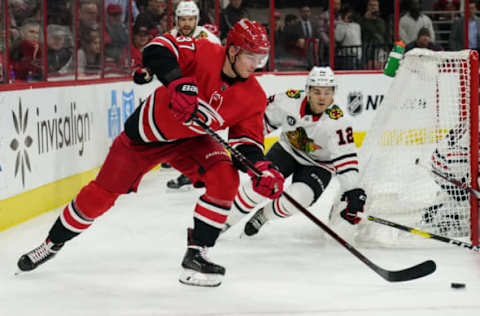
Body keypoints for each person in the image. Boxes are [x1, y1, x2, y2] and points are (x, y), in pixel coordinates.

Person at [17, 19, 285, 288]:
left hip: (192, 140)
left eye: (262, 58)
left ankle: (197, 255)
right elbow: (156, 48)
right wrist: (178, 82)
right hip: (144, 138)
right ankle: (52, 243)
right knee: (100, 197)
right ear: (233, 50)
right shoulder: (204, 51)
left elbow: (246, 143)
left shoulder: (254, 97)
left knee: (225, 178)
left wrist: (260, 167)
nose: (256, 65)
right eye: (252, 56)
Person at [223, 67, 366, 236]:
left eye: (327, 92)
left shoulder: (339, 122)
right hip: (286, 151)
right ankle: (221, 224)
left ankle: (264, 216)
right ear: (308, 91)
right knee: (259, 186)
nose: (322, 97)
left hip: (319, 165)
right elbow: (258, 125)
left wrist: (353, 192)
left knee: (296, 199)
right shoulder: (288, 101)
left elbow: (346, 160)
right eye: (317, 91)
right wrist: (244, 145)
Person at [166, 0, 221, 190]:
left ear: (196, 19)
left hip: (202, 90)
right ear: (176, 20)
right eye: (183, 19)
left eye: (190, 19)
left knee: (196, 133)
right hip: (181, 90)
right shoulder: (169, 38)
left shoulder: (209, 38)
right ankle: (192, 169)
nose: (187, 24)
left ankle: (197, 171)